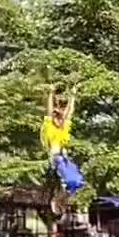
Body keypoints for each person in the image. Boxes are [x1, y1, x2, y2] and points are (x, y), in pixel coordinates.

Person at [41, 85, 84, 214]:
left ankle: (59, 200)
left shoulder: (63, 127)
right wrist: (50, 93)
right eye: (56, 117)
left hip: (62, 158)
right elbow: (49, 111)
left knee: (75, 181)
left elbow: (69, 112)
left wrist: (73, 96)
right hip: (57, 158)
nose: (59, 119)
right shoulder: (50, 127)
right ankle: (59, 200)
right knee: (74, 181)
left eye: (60, 117)